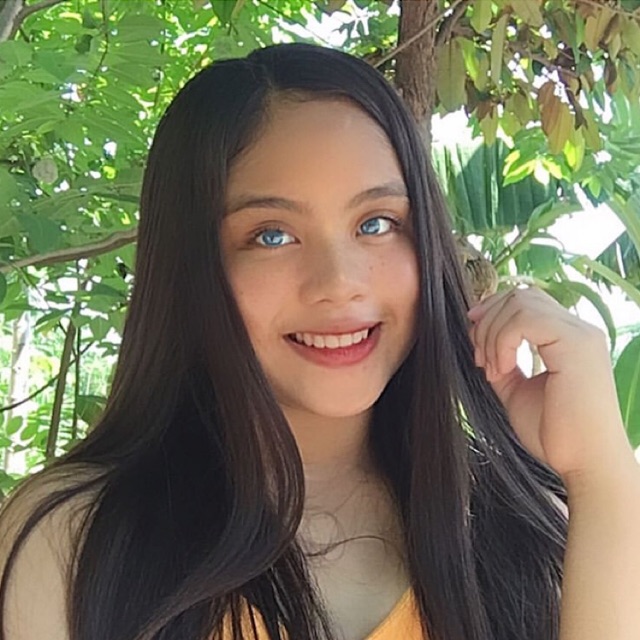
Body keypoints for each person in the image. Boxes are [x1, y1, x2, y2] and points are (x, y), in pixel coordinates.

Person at [0, 42, 638, 640]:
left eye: (377, 223)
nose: (339, 283)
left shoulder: (533, 531)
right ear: (190, 267)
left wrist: (599, 474)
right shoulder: (76, 539)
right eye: (272, 235)